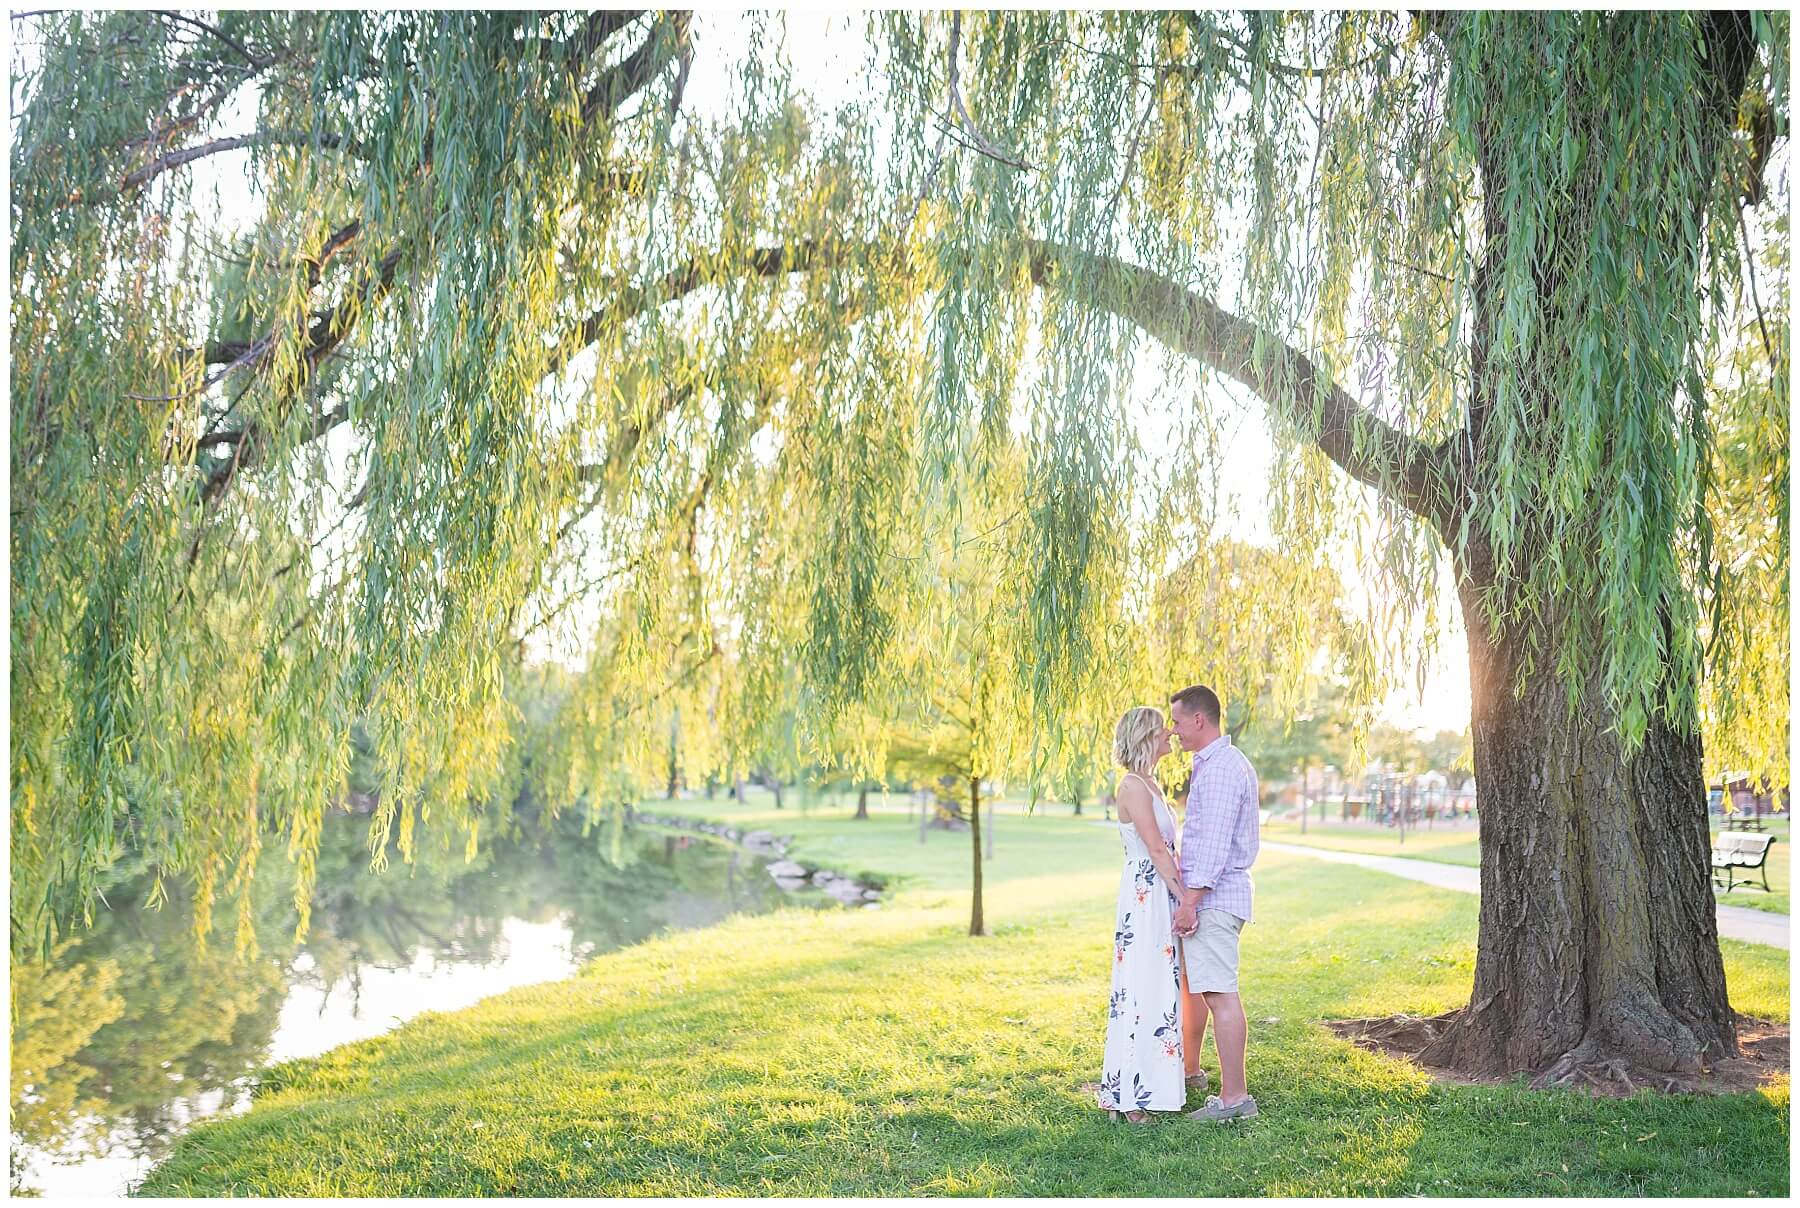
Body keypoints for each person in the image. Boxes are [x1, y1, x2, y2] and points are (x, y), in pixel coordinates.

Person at [1168, 683, 1261, 1122]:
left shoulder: (1223, 769)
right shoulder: (1218, 763)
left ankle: (1235, 1099)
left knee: (1221, 995)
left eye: (1178, 722)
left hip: (1215, 897)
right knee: (1201, 988)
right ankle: (1192, 1071)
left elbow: (1215, 843)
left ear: (1199, 720)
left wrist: (1191, 900)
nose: (1174, 731)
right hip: (1216, 895)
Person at [1096, 705, 1187, 1123]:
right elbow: (1155, 850)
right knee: (1140, 988)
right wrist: (1185, 896)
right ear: (1146, 736)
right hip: (1146, 894)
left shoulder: (1152, 783)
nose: (1171, 732)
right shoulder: (1132, 786)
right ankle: (1129, 1099)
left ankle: (1149, 1087)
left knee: (1157, 988)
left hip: (1157, 892)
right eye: (1162, 728)